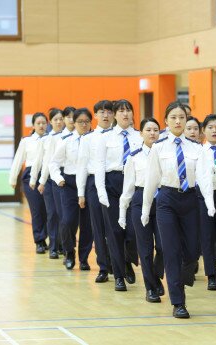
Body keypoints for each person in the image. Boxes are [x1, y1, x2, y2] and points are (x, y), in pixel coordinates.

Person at [141, 101, 213, 319]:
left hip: (190, 200)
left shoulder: (197, 148)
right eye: (173, 117)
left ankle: (182, 278)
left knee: (192, 252)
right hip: (167, 200)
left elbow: (204, 177)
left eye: (182, 117)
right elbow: (151, 180)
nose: (178, 121)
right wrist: (145, 210)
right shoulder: (159, 147)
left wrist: (210, 203)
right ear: (166, 121)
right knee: (171, 251)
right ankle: (178, 302)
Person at [95, 99, 142, 292]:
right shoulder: (105, 137)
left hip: (135, 185)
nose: (125, 114)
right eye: (121, 111)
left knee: (132, 233)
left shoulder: (140, 136)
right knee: (114, 233)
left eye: (128, 110)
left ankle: (128, 260)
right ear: (114, 115)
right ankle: (119, 275)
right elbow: (99, 166)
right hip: (112, 185)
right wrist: (101, 192)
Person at [118, 118, 165, 303]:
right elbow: (128, 188)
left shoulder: (164, 153)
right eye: (148, 130)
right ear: (141, 133)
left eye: (156, 130)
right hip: (139, 200)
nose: (152, 133)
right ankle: (151, 288)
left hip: (161, 201)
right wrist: (122, 212)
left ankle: (155, 275)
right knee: (145, 249)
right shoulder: (134, 157)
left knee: (162, 247)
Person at [49, 108, 94, 270]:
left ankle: (84, 258)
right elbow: (53, 163)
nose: (84, 124)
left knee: (88, 224)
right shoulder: (66, 140)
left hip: (89, 183)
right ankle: (69, 252)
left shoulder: (95, 140)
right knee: (67, 221)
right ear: (73, 123)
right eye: (80, 122)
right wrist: (59, 179)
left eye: (87, 122)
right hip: (69, 185)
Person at [76, 100, 115, 283]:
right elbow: (82, 166)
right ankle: (104, 267)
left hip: (116, 181)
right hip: (93, 184)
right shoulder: (87, 138)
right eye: (101, 112)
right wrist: (81, 193)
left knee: (116, 226)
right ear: (96, 116)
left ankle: (120, 263)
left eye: (109, 111)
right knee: (98, 226)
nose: (105, 115)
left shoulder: (118, 136)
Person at [196, 114, 216, 291]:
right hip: (204, 196)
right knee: (207, 236)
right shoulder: (200, 152)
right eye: (210, 127)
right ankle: (212, 275)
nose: (214, 130)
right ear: (204, 131)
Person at [9, 112, 48, 254]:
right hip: (30, 176)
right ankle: (39, 240)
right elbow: (18, 160)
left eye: (44, 123)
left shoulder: (51, 139)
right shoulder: (26, 141)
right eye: (38, 123)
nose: (41, 125)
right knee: (37, 210)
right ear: (33, 125)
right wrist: (13, 179)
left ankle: (49, 238)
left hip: (48, 175)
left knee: (48, 210)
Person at [30, 108, 64, 259]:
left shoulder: (68, 137)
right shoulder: (46, 139)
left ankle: (64, 244)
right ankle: (54, 247)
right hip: (50, 181)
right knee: (52, 214)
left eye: (60, 119)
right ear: (51, 122)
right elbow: (42, 163)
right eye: (55, 119)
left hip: (65, 180)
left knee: (65, 215)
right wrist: (38, 181)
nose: (58, 122)